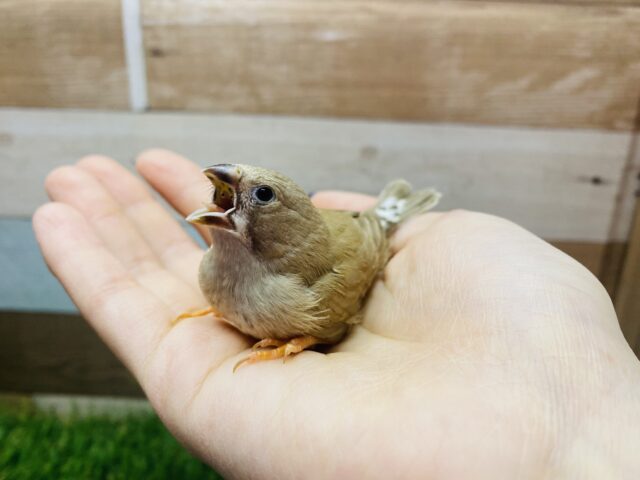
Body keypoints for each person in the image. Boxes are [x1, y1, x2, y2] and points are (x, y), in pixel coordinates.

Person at [34, 149, 640, 479]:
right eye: (237, 190)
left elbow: (343, 288)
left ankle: (393, 208)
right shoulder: (214, 269)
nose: (228, 186)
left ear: (284, 224)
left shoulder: (308, 290)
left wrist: (296, 337)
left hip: (360, 235)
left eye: (259, 195)